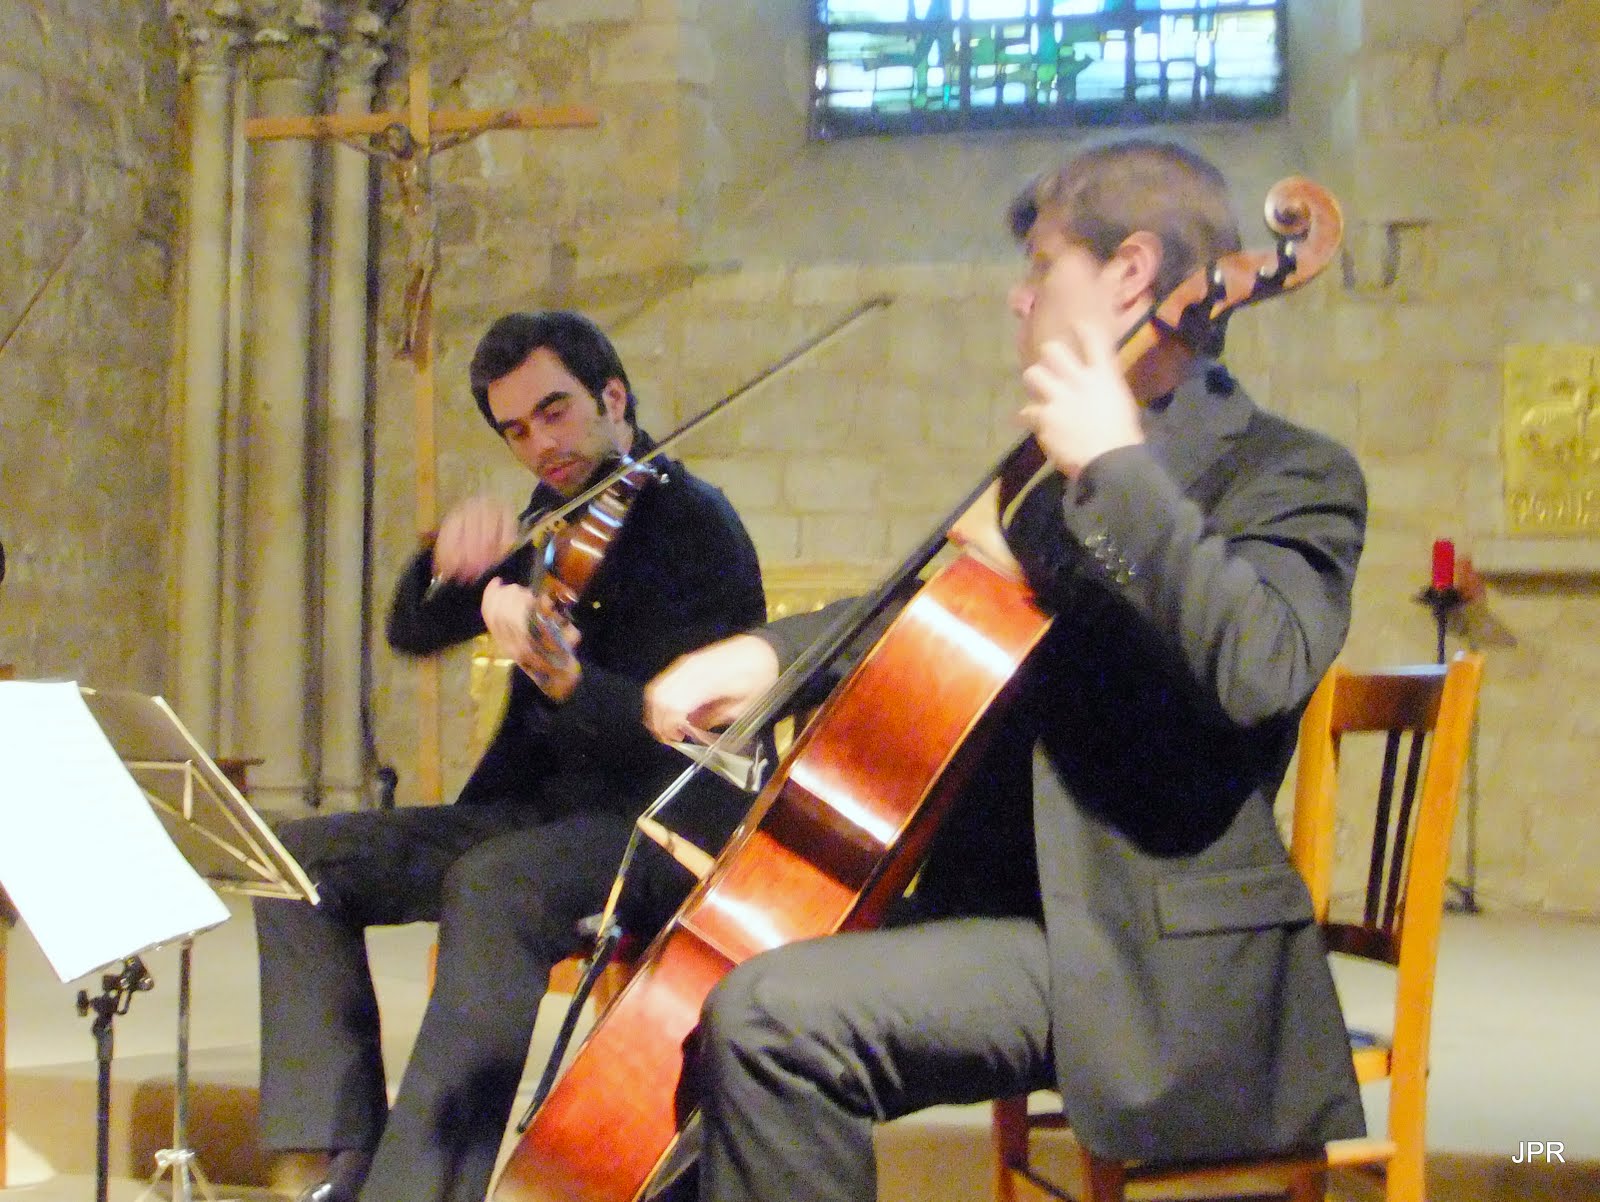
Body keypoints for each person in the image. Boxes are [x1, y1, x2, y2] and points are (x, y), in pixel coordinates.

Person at [642, 138, 1369, 1202]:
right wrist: (767, 654)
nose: (1017, 299)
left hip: (1142, 954)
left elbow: (1260, 664)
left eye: (1041, 267)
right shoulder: (1047, 486)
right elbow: (938, 611)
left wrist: (1115, 467)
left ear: (1129, 272)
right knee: (700, 984)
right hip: (996, 914)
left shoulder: (1287, 472)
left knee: (774, 1019)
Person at [254, 310, 766, 1202]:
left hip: (653, 825)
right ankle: (329, 1168)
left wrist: (571, 683)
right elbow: (416, 630)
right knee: (296, 862)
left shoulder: (695, 527)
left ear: (613, 397)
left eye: (555, 412)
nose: (540, 445)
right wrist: (446, 563)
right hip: (529, 815)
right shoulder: (550, 520)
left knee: (493, 884)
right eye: (516, 430)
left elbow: (689, 736)